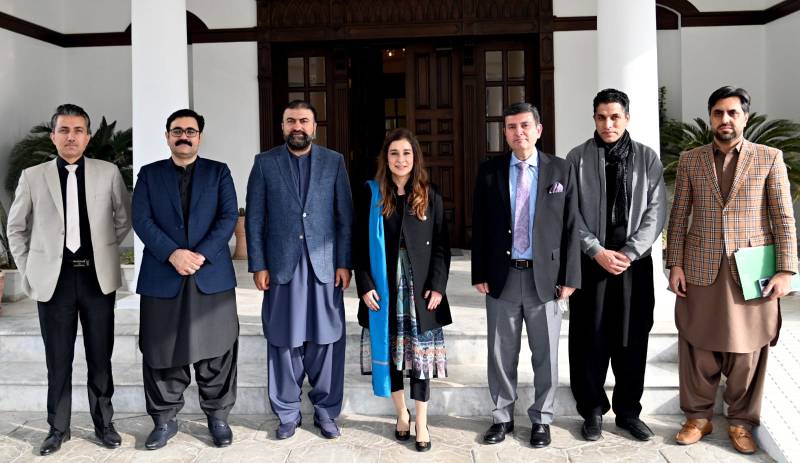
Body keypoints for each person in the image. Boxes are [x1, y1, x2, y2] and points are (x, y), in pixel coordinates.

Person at [667, 86, 798, 454]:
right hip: (700, 266)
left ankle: (741, 422)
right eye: (718, 113)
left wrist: (786, 270)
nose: (725, 119)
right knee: (698, 344)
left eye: (732, 113)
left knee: (747, 349)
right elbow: (678, 215)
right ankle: (698, 417)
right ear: (710, 117)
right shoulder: (691, 159)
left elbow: (783, 217)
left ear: (745, 117)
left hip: (751, 270)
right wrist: (674, 263)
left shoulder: (769, 157)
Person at [6, 103, 131, 455]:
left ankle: (104, 424)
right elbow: (16, 228)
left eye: (78, 130)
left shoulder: (108, 172)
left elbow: (123, 219)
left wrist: (102, 249)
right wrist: (29, 267)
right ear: (53, 136)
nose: (71, 137)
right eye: (64, 130)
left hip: (96, 278)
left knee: (100, 357)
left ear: (88, 137)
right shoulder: (33, 176)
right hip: (54, 282)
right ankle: (57, 428)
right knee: (58, 359)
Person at [472, 102, 580, 448]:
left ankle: (542, 419)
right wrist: (479, 271)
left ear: (538, 129)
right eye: (511, 127)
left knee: (545, 354)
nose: (518, 132)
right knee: (500, 353)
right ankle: (502, 417)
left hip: (545, 278)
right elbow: (479, 224)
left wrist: (570, 276)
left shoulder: (560, 170)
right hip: (502, 275)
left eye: (524, 125)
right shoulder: (489, 171)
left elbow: (572, 226)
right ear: (504, 132)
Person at [132, 109, 239, 450]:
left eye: (190, 131)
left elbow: (228, 217)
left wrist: (200, 254)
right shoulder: (149, 175)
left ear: (199, 137)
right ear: (167, 136)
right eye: (177, 130)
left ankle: (218, 418)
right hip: (163, 274)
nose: (184, 136)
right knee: (162, 347)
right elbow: (141, 219)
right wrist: (173, 254)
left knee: (218, 349)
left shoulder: (219, 172)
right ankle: (164, 420)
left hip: (210, 274)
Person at [245, 100, 353, 440]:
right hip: (281, 267)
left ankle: (326, 411)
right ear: (282, 126)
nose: (297, 127)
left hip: (324, 267)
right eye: (291, 120)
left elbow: (345, 218)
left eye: (304, 121)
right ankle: (287, 413)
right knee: (283, 339)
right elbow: (255, 218)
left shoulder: (334, 162)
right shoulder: (264, 163)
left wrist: (344, 262)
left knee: (327, 340)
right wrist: (258, 264)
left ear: (314, 127)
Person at [566, 88, 666, 442]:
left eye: (615, 117)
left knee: (632, 339)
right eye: (601, 117)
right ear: (594, 118)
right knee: (588, 339)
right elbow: (570, 212)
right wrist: (596, 250)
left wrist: (630, 252)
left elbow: (657, 210)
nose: (608, 124)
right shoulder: (577, 158)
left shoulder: (647, 158)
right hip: (591, 263)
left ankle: (628, 412)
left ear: (627, 118)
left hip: (633, 266)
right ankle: (592, 411)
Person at [354, 128, 451, 452]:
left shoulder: (430, 194)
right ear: (386, 158)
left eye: (406, 153)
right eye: (394, 153)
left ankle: (421, 421)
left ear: (415, 157)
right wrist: (364, 285)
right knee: (392, 354)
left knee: (419, 361)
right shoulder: (371, 194)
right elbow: (359, 245)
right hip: (384, 288)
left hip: (420, 290)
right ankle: (401, 414)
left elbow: (442, 246)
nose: (400, 159)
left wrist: (438, 287)